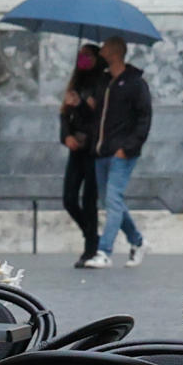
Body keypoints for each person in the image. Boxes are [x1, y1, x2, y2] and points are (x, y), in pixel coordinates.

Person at [92, 38, 153, 265]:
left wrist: (128, 148)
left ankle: (104, 252)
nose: (102, 50)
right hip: (102, 152)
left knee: (113, 199)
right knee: (111, 201)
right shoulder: (105, 82)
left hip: (121, 153)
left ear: (116, 52)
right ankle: (137, 241)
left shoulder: (135, 83)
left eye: (106, 46)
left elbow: (144, 118)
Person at [59, 45, 107, 268]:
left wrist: (81, 106)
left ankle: (90, 248)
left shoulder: (102, 82)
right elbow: (64, 116)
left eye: (88, 56)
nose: (83, 60)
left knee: (89, 201)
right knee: (69, 198)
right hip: (76, 149)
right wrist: (66, 136)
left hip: (93, 149)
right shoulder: (76, 83)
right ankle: (92, 236)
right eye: (81, 55)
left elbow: (99, 117)